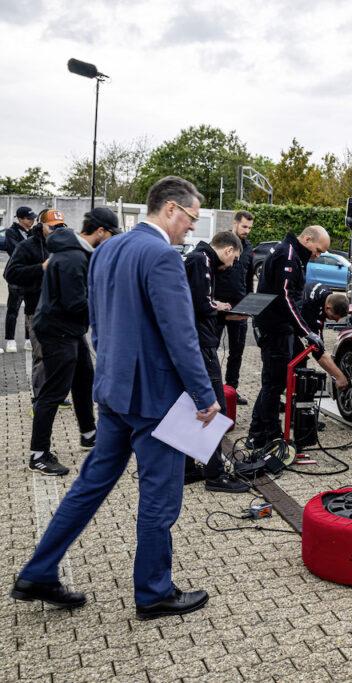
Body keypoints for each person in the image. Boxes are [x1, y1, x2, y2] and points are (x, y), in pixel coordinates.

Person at [10, 177, 220, 620]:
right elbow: (181, 336)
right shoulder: (162, 256)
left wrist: (109, 370)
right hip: (155, 401)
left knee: (90, 486)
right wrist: (204, 395)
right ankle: (154, 592)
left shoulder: (108, 249)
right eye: (191, 219)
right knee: (160, 498)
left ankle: (39, 570)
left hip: (114, 391)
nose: (191, 230)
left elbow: (99, 320)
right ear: (169, 209)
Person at [26, 208, 120, 476]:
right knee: (53, 392)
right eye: (111, 235)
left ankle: (89, 434)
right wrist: (106, 302)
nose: (111, 241)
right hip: (57, 331)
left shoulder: (79, 254)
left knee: (83, 379)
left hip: (70, 330)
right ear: (100, 231)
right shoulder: (71, 258)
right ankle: (39, 454)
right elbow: (74, 303)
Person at [247, 226, 348, 449]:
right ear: (307, 238)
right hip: (275, 328)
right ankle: (267, 437)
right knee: (273, 385)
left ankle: (258, 435)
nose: (317, 255)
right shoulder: (288, 255)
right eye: (318, 250)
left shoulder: (287, 252)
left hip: (275, 326)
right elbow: (286, 298)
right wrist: (306, 332)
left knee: (272, 384)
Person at [184, 231, 249, 494]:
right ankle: (215, 475)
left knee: (193, 407)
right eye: (234, 260)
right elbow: (200, 303)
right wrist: (219, 307)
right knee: (214, 407)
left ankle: (187, 468)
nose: (232, 266)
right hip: (201, 344)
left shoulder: (197, 259)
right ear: (229, 250)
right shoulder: (202, 261)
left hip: (195, 342)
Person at [4, 216, 54, 398]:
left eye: (60, 226)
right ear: (42, 225)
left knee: (58, 356)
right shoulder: (27, 245)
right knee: (41, 355)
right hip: (36, 309)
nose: (56, 230)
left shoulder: (62, 245)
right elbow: (10, 273)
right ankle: (40, 399)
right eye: (52, 226)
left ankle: (56, 394)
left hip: (59, 311)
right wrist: (40, 268)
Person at [214, 210, 255, 405]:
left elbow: (249, 278)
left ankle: (231, 389)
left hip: (240, 307)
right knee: (211, 348)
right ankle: (212, 390)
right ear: (235, 223)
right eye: (244, 226)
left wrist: (249, 304)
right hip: (218, 307)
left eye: (249, 228)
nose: (247, 230)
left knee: (237, 351)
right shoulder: (222, 243)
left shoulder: (249, 249)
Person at [2, 206, 35, 353]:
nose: (32, 221)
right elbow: (16, 251)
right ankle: (10, 340)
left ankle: (29, 339)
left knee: (30, 309)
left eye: (33, 218)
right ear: (20, 219)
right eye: (29, 219)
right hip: (16, 276)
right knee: (13, 309)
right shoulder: (11, 232)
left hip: (32, 276)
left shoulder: (34, 232)